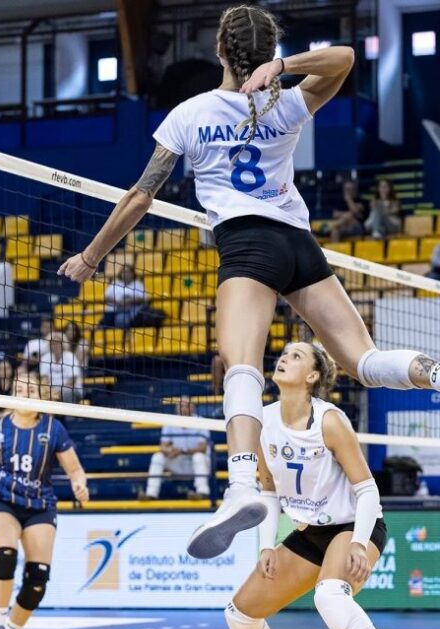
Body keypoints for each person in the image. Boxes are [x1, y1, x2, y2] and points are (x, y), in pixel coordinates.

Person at [58, 4, 440, 561]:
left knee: (241, 367)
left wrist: (92, 257)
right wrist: (283, 68)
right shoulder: (286, 100)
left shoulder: (190, 114)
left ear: (219, 50)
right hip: (298, 245)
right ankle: (430, 370)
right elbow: (346, 58)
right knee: (362, 362)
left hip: (246, 244)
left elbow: (142, 195)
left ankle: (240, 489)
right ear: (265, 53)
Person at [226, 343, 388, 629]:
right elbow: (269, 491)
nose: (284, 357)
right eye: (284, 353)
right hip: (309, 532)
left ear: (312, 376)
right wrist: (266, 546)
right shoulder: (262, 422)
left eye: (296, 356)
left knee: (330, 598)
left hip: (352, 526)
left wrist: (358, 543)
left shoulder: (328, 421)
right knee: (239, 616)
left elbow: (368, 490)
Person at [0, 373, 89, 629]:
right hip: (2, 500)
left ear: (42, 397)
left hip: (39, 505)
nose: (23, 393)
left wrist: (80, 483)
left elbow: (74, 469)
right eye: (19, 388)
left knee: (38, 577)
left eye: (29, 389)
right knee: (5, 553)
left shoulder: (54, 429)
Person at [139, 396, 211, 500]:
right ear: (176, 408)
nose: (183, 409)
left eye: (186, 406)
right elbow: (163, 446)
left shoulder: (201, 421)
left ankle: (202, 493)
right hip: (178, 462)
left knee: (198, 456)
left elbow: (203, 448)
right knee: (158, 456)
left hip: (198, 464)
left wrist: (181, 451)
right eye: (181, 406)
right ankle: (151, 494)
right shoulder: (170, 421)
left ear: (193, 408)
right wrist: (169, 451)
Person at [39, 331, 83, 403]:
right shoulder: (45, 358)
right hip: (52, 390)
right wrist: (48, 391)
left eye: (58, 342)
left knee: (66, 392)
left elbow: (72, 380)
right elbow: (44, 379)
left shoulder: (70, 356)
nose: (56, 345)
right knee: (42, 392)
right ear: (49, 345)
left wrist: (59, 392)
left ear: (63, 344)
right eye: (53, 343)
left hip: (71, 389)